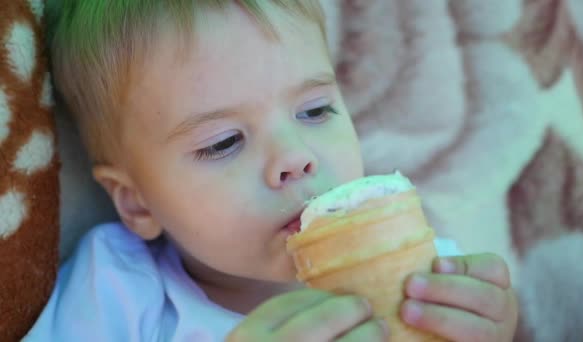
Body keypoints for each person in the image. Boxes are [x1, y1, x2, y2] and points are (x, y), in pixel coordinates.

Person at [28, 1, 518, 341]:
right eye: (224, 142)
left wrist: (492, 328)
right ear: (137, 201)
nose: (295, 156)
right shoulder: (118, 291)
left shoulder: (419, 269)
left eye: (315, 111)